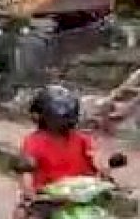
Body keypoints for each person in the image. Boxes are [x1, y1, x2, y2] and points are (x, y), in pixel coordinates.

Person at [14, 85, 108, 218]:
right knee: (23, 214)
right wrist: (29, 194)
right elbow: (26, 170)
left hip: (80, 198)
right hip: (48, 199)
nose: (62, 122)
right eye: (58, 118)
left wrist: (104, 174)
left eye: (65, 117)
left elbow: (97, 162)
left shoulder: (83, 139)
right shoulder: (33, 142)